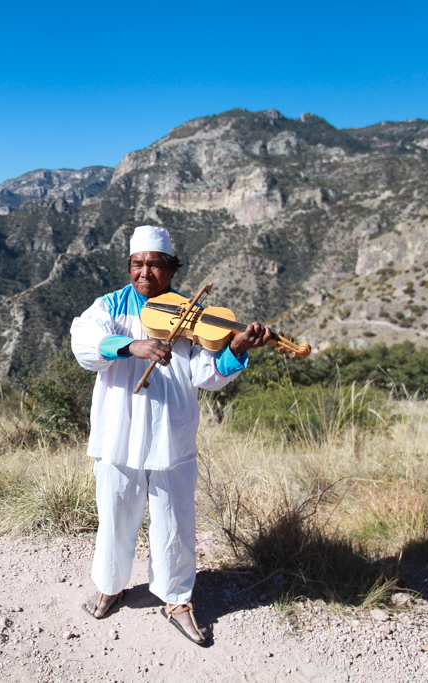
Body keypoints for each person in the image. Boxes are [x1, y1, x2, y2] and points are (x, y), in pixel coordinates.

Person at [69, 225, 270, 645]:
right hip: (118, 432)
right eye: (137, 263)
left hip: (171, 433)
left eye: (154, 264)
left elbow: (204, 375)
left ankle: (176, 599)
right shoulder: (109, 307)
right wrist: (131, 347)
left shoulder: (192, 315)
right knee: (116, 512)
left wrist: (236, 350)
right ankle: (111, 584)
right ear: (130, 266)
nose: (145, 272)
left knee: (175, 520)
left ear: (171, 269)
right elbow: (84, 344)